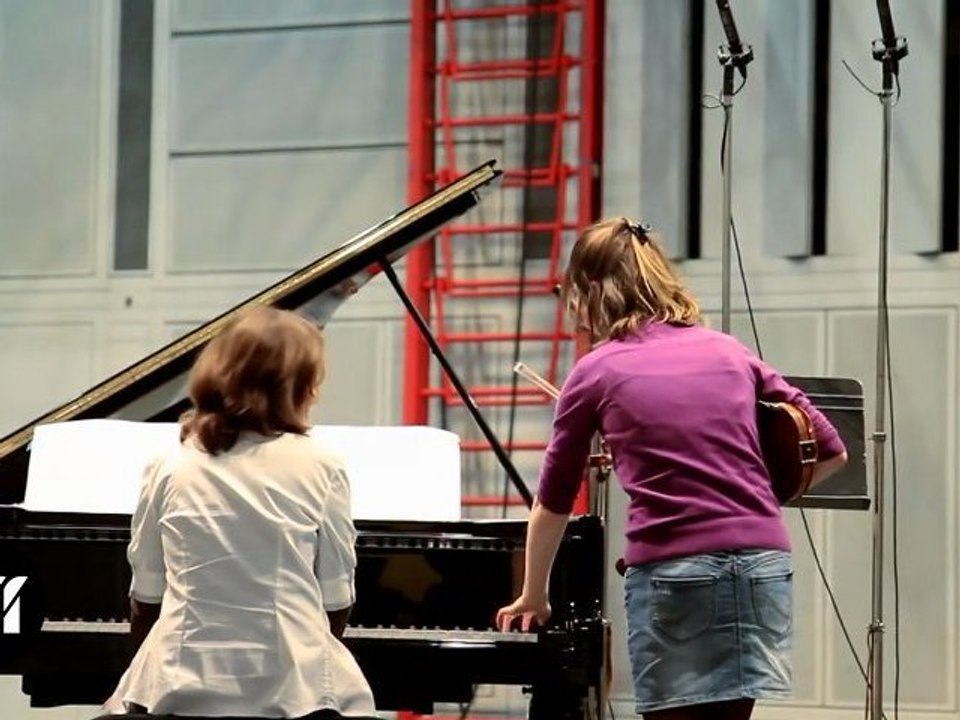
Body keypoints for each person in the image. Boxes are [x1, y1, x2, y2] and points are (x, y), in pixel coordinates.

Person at [496, 218, 848, 720]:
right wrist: (748, 500)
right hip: (763, 566)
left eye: (569, 292)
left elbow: (554, 498)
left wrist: (534, 594)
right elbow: (833, 452)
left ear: (593, 289)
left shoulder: (596, 369)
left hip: (678, 574)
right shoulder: (729, 350)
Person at [102, 305, 378, 719]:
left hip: (178, 686)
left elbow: (147, 597)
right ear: (300, 388)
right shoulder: (322, 464)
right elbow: (335, 597)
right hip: (290, 689)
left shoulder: (168, 464)